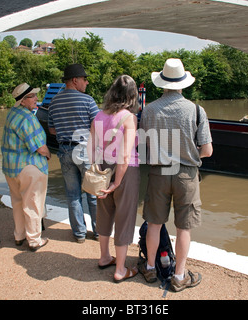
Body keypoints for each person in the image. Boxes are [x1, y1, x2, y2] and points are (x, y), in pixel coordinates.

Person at [139, 58, 213, 292]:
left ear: (162, 83)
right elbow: (207, 150)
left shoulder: (149, 110)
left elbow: (143, 149)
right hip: (186, 175)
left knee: (154, 224)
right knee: (184, 228)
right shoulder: (197, 111)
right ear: (183, 83)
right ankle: (179, 276)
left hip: (158, 172)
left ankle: (150, 269)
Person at [88, 75, 140, 283]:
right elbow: (125, 156)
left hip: (102, 167)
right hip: (125, 172)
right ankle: (120, 269)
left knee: (104, 214)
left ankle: (104, 257)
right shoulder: (129, 118)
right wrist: (117, 182)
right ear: (132, 95)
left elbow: (91, 149)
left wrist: (96, 172)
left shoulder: (98, 116)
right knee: (124, 218)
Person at [48, 64, 99, 243]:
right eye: (84, 79)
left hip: (64, 151)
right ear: (75, 80)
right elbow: (97, 127)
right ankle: (98, 232)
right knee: (92, 193)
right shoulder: (88, 101)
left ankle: (79, 234)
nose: (86, 83)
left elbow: (52, 130)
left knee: (72, 195)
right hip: (84, 150)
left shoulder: (54, 101)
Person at [1, 83, 51, 251]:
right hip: (28, 167)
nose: (36, 98)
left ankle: (19, 235)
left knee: (17, 201)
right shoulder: (28, 117)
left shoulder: (12, 113)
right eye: (32, 96)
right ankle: (35, 239)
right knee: (33, 203)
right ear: (22, 101)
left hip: (11, 168)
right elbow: (39, 147)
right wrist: (48, 154)